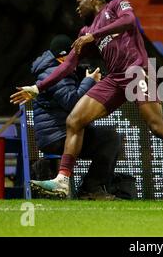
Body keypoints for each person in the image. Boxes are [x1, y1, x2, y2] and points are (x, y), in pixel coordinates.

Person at [11, 0, 163, 199]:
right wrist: (37, 87)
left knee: (157, 126)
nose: (77, 8)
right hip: (115, 79)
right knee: (75, 120)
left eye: (79, 2)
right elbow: (68, 65)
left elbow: (129, 21)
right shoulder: (85, 32)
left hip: (137, 72)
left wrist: (96, 35)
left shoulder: (116, 5)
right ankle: (63, 180)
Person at [30, 34, 121, 200]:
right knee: (110, 138)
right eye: (73, 55)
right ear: (63, 56)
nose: (76, 60)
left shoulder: (56, 71)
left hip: (59, 133)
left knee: (107, 137)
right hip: (57, 137)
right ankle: (91, 188)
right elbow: (73, 103)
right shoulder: (53, 72)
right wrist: (89, 81)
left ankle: (92, 187)